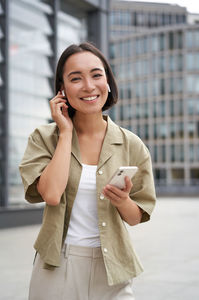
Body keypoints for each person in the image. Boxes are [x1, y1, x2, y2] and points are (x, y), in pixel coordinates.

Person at [19, 42, 156, 300]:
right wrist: (65, 132)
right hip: (57, 265)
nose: (89, 86)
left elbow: (137, 216)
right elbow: (50, 194)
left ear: (107, 80)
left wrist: (123, 200)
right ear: (62, 88)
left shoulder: (131, 144)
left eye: (96, 74)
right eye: (76, 78)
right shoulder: (43, 138)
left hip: (113, 268)